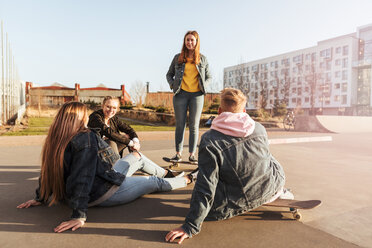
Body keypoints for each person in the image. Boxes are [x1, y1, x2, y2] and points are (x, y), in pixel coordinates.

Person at [17, 101, 190, 233]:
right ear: (79, 118)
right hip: (102, 193)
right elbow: (82, 176)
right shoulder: (84, 138)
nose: (87, 119)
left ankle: (168, 174)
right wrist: (79, 215)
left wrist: (40, 197)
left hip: (103, 178)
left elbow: (47, 171)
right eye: (85, 116)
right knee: (153, 182)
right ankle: (187, 179)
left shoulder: (54, 138)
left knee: (136, 156)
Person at [165, 88, 293, 244]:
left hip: (237, 201)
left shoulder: (210, 140)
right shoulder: (259, 128)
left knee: (207, 180)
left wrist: (190, 225)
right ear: (244, 110)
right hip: (269, 187)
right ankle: (279, 192)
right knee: (269, 158)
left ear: (219, 111)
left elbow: (206, 186)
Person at [166, 30, 212, 163]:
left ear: (196, 42)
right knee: (180, 125)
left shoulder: (202, 58)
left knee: (194, 125)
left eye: (192, 40)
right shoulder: (177, 58)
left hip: (197, 95)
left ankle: (192, 155)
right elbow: (169, 74)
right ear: (184, 42)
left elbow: (209, 76)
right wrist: (172, 85)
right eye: (187, 40)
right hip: (180, 94)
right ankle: (178, 154)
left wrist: (205, 86)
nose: (189, 42)